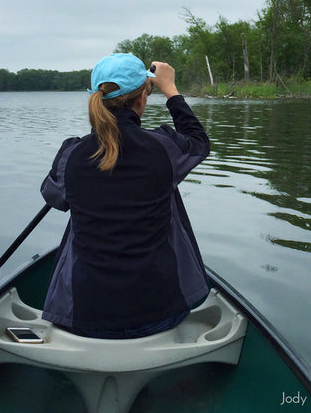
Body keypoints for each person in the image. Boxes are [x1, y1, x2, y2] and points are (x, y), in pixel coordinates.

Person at [40, 53, 210, 339]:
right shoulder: (164, 149)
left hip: (84, 316)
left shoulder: (71, 155)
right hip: (161, 313)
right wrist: (171, 91)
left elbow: (55, 197)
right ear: (142, 99)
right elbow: (199, 143)